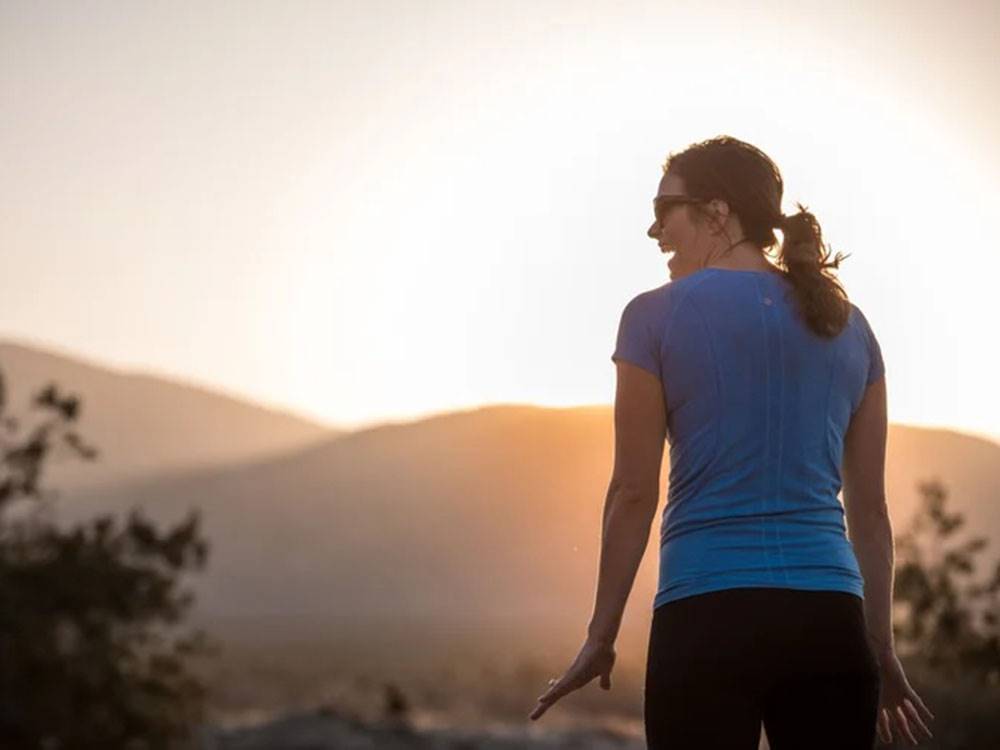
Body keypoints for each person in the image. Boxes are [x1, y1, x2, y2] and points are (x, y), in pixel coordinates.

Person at [528, 136, 936, 748]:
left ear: (717, 213)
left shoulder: (651, 317)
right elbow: (871, 513)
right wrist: (881, 648)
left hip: (705, 619)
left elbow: (635, 492)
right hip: (830, 625)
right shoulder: (853, 329)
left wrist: (600, 636)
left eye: (664, 209)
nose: (653, 229)